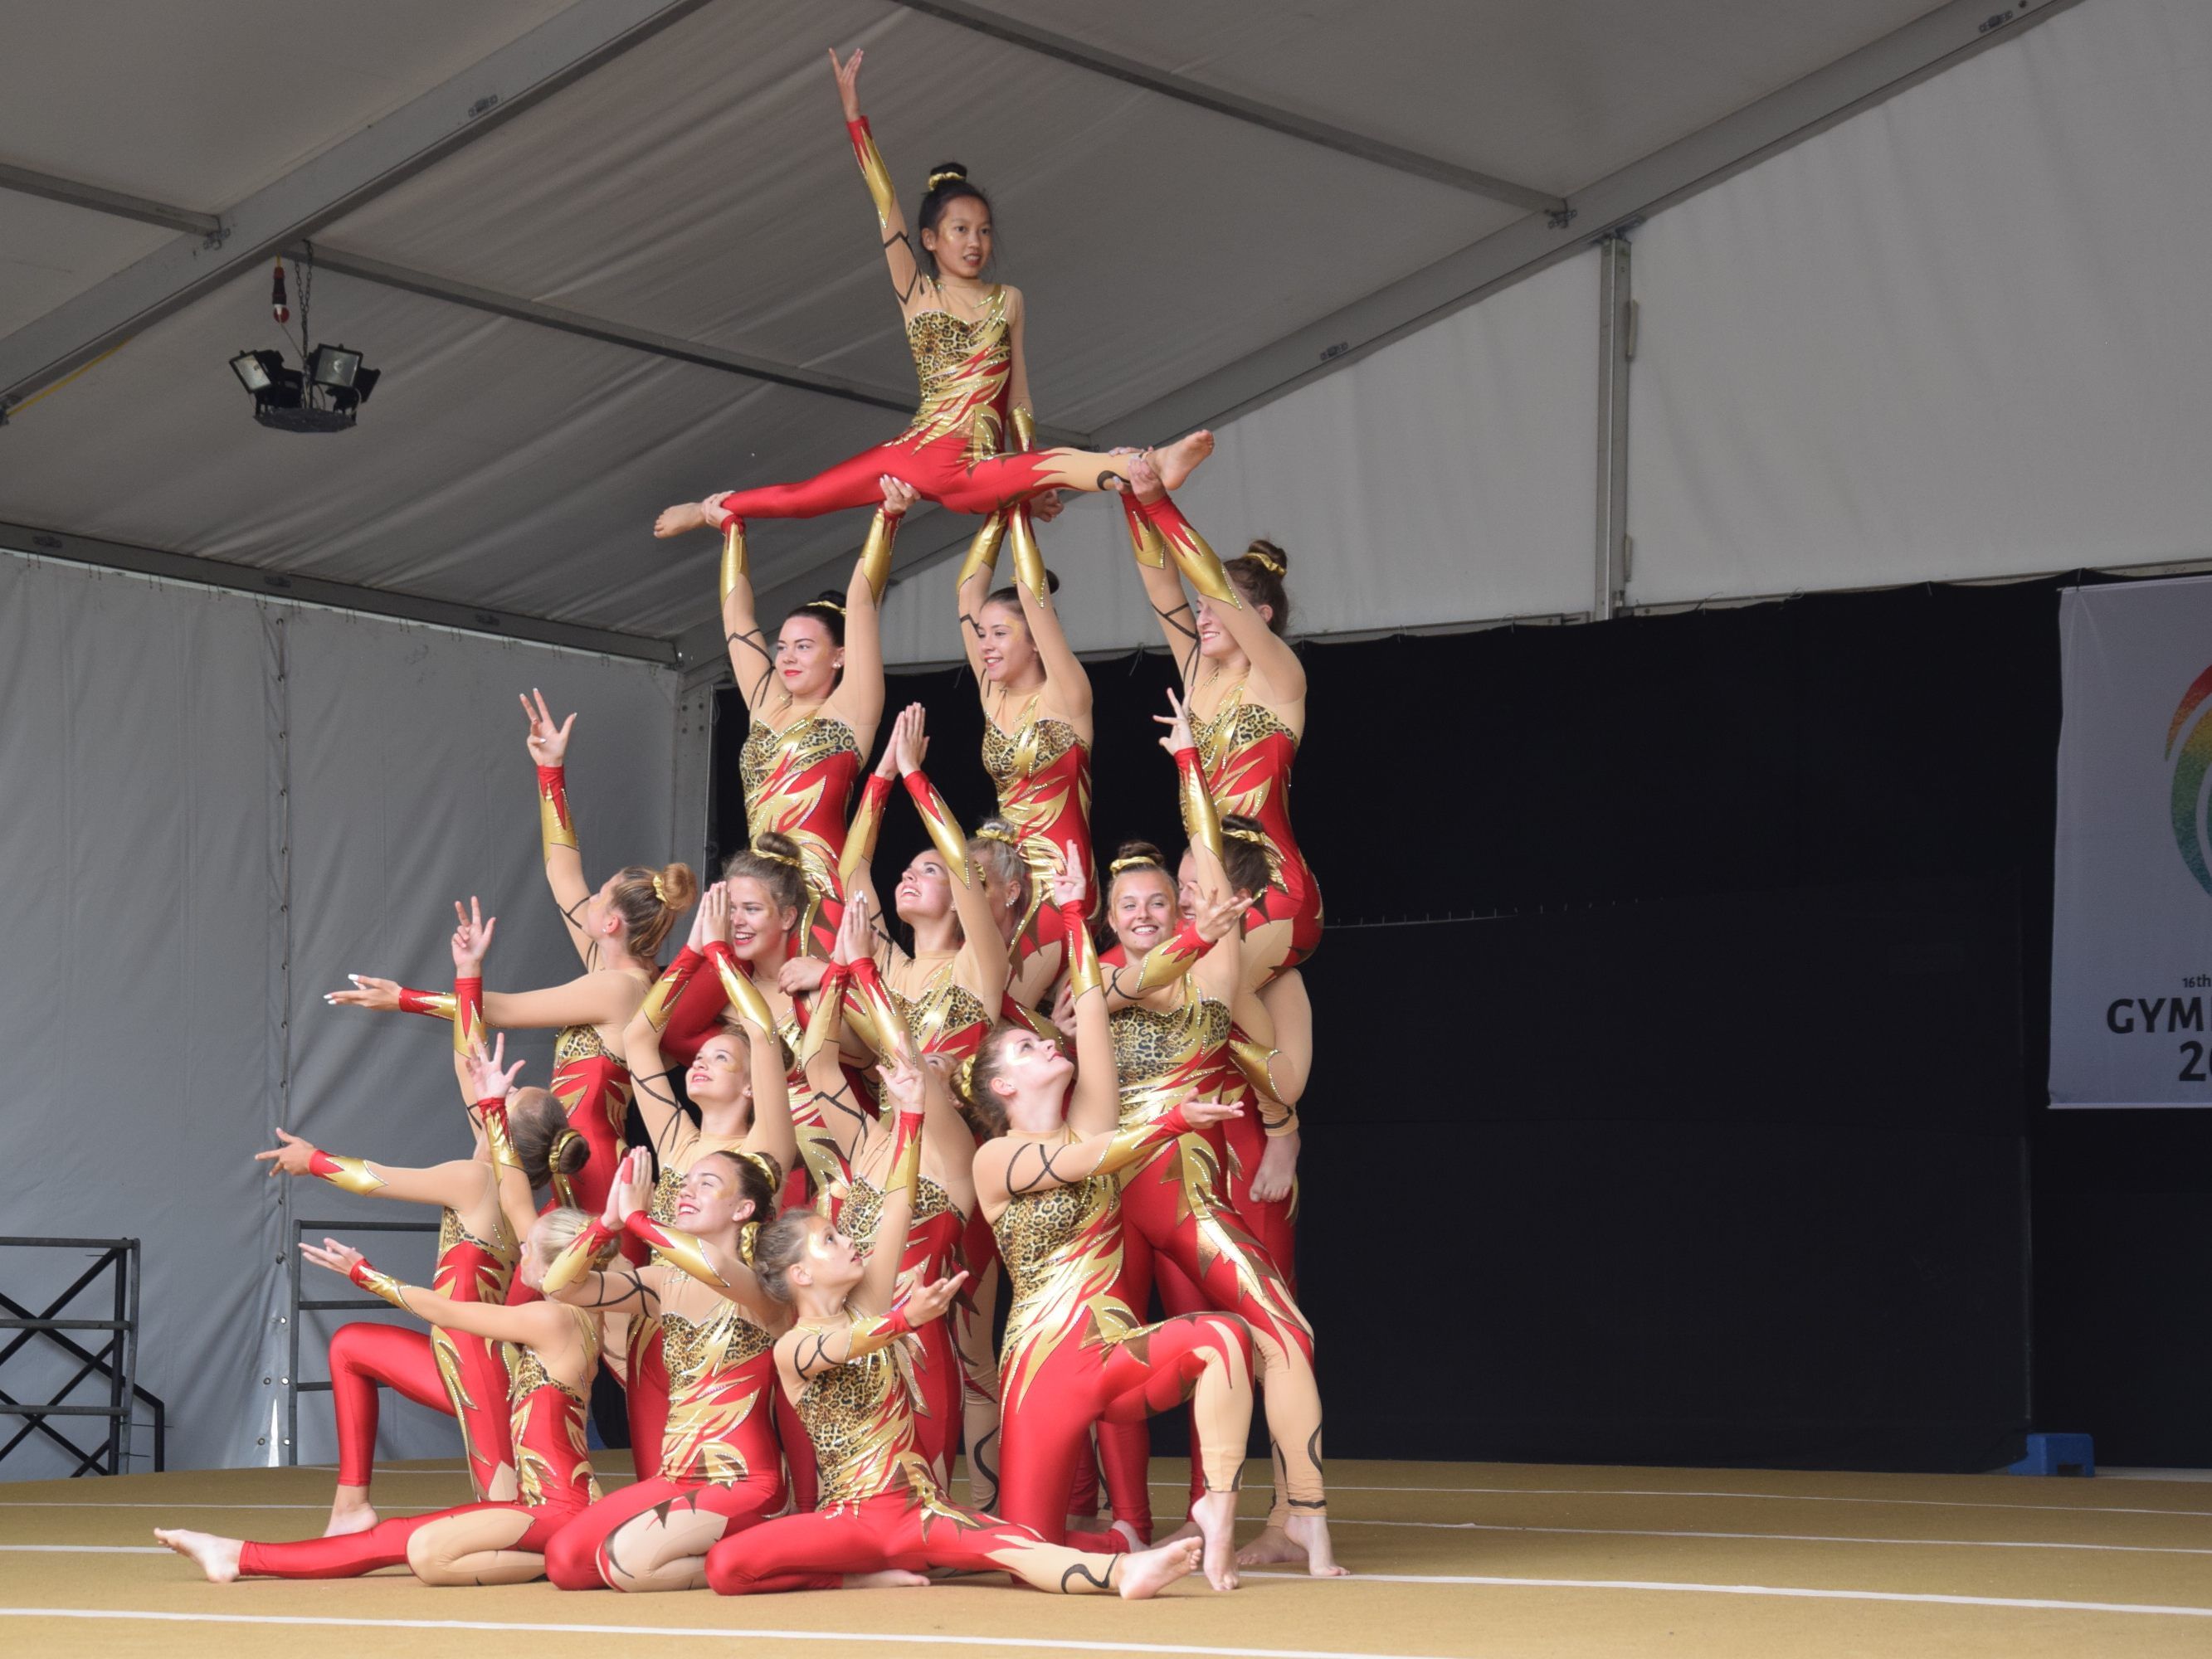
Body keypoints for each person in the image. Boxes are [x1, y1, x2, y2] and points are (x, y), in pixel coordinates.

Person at [697, 1055, 1206, 1600]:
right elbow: (839, 1347)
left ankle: (1126, 1572)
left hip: (919, 1513)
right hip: (849, 1521)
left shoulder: (868, 1302)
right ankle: (865, 1577)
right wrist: (902, 1320)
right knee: (726, 1566)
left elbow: (898, 1203)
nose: (849, 1241)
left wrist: (912, 1115)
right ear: (800, 1274)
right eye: (830, 1240)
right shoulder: (795, 1346)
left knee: (1018, 1546)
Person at [650, 48, 1213, 538]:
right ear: (929, 238)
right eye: (961, 230)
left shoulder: (1007, 299)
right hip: (913, 457)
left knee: (1056, 464)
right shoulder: (916, 290)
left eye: (984, 230)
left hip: (974, 470)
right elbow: (885, 205)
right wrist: (854, 120)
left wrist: (1023, 472)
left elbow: (1017, 397)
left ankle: (1152, 463)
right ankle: (707, 510)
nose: (975, 242)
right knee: (803, 498)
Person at [1086, 701, 1339, 1575]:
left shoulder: (1261, 969)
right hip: (1150, 1159)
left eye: (1190, 887)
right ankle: (1137, 1516)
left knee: (1257, 1331)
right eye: (1172, 888)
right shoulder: (1146, 961)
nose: (1177, 899)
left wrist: (1280, 1126)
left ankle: (1271, 1510)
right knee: (1168, 1333)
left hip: (1227, 1156)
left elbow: (1285, 1077)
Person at [969, 853, 1258, 1592]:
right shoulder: (997, 1158)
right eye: (1031, 1047)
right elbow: (1088, 1162)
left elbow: (1093, 1009)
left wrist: (1074, 918)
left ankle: (1215, 1508)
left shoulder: (1089, 1118)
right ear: (1003, 1086)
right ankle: (1103, 1559)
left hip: (1111, 1353)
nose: (1049, 1043)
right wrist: (1170, 1120)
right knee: (1020, 1552)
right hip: (1043, 1374)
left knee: (1225, 1337)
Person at [329, 698, 694, 1222]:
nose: (589, 899)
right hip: (569, 1153)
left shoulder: (618, 989)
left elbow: (500, 1009)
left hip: (593, 1165)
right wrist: (550, 768)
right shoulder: (611, 966)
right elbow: (561, 873)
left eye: (601, 896)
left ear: (612, 923)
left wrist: (402, 999)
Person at [154, 1210, 608, 1585]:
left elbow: (449, 1312)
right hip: (548, 1505)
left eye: (530, 1247)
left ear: (557, 1265)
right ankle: (565, 1556)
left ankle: (237, 1555)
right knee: (429, 1557)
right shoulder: (584, 1317)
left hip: (556, 1506)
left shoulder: (554, 1320)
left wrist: (364, 1274)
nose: (521, 1249)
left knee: (398, 1539)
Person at [251, 1033, 533, 1533]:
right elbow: (465, 1067)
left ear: (502, 1129)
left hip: (477, 1374)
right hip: (469, 1361)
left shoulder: (475, 1180)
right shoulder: (517, 1193)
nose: (492, 1096)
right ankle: (350, 1506)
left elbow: (377, 1180)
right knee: (351, 1346)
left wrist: (312, 1161)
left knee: (508, 1524)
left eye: (507, 1099)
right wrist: (466, 977)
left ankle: (363, 1518)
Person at [1114, 451, 1318, 1092]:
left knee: (1206, 992)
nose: (1203, 616)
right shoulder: (1199, 675)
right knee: (1169, 994)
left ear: (1260, 620)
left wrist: (1159, 502)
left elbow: (1213, 588)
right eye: (1201, 608)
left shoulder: (1281, 680)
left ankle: (1282, 1120)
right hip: (1208, 883)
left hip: (1271, 888)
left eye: (1218, 607)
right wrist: (1128, 496)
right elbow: (1161, 588)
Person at [611, 892, 804, 1481]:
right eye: (701, 1056)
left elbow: (765, 1036)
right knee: (661, 1485)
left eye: (721, 1059)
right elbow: (638, 1039)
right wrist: (692, 951)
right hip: (663, 1330)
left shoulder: (765, 1151)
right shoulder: (676, 1144)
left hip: (738, 1337)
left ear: (751, 1087)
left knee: (729, 1481)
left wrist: (723, 956)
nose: (699, 1063)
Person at [538, 1148, 787, 1592]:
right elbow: (559, 1285)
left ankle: (765, 1556)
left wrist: (639, 1221)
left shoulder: (761, 1284)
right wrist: (608, 1223)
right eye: (686, 1181)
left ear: (743, 1209)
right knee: (566, 1562)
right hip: (677, 1478)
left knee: (626, 1565)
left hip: (747, 1483)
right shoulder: (661, 1282)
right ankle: (723, 1551)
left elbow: (714, 1267)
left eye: (707, 1183)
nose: (687, 1190)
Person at [797, 893, 977, 1486]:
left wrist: (869, 973)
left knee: (922, 1524)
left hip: (918, 1352)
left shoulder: (954, 1156)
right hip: (853, 1352)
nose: (916, 1073)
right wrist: (840, 976)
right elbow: (818, 1066)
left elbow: (910, 1063)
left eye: (935, 1073)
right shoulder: (869, 1139)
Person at [713, 475, 901, 949]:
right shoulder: (764, 704)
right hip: (755, 895)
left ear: (840, 656)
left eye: (803, 647)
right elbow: (738, 619)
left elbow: (861, 603)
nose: (788, 658)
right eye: (782, 647)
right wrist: (732, 530)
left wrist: (887, 519)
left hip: (822, 893)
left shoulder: (851, 710)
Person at [955, 504, 1094, 1005]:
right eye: (983, 635)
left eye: (1001, 634)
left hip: (1060, 880)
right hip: (1003, 879)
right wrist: (997, 508)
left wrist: (1020, 513)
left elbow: (1034, 600)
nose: (986, 646)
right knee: (978, 998)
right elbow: (967, 593)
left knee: (1003, 1003)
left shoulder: (1067, 696)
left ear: (1036, 641)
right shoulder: (992, 697)